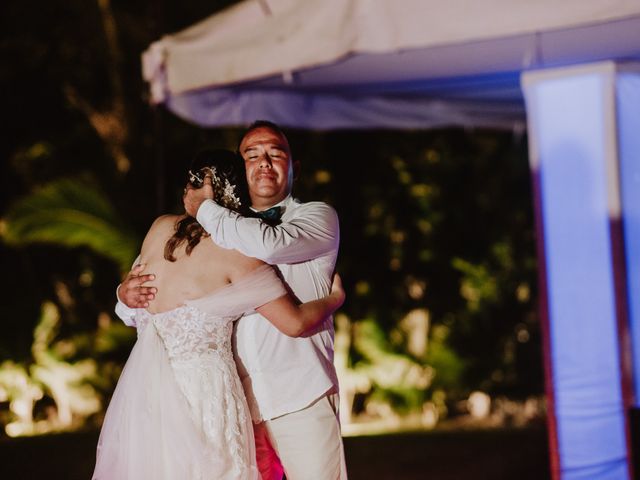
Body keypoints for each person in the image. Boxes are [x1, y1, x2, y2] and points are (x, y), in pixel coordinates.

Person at [93, 149, 345, 479]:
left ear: (192, 191)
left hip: (149, 393)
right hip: (207, 395)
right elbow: (294, 322)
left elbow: (134, 306)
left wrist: (122, 293)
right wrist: (335, 299)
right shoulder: (241, 253)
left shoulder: (159, 230)